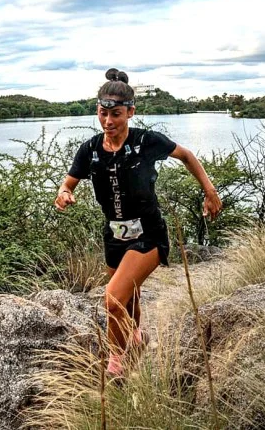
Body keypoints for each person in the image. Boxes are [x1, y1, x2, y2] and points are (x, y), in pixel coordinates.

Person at [54, 68, 222, 376]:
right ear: (97, 110)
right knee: (127, 297)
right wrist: (64, 194)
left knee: (112, 300)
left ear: (131, 111)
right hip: (113, 235)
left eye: (116, 114)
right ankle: (136, 337)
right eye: (103, 113)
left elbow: (186, 155)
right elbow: (68, 184)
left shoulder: (146, 141)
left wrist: (210, 193)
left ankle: (116, 366)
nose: (108, 122)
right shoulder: (89, 150)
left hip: (148, 233)